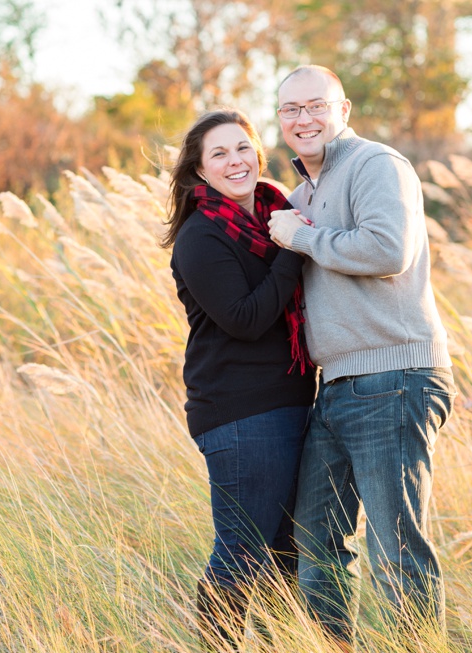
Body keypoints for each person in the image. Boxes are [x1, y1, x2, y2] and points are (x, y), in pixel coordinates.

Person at [268, 65, 457, 645]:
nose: (304, 119)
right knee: (315, 541)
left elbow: (387, 249)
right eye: (291, 110)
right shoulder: (302, 194)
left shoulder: (375, 164)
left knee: (396, 549)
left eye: (315, 106)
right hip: (339, 386)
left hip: (395, 376)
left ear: (343, 110)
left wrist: (298, 236)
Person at [164, 108, 316, 650]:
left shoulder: (276, 211)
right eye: (219, 154)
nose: (235, 161)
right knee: (243, 550)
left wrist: (292, 237)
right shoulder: (201, 237)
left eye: (242, 147)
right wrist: (294, 248)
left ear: (258, 152)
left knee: (283, 553)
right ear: (201, 172)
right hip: (240, 412)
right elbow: (246, 319)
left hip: (290, 403)